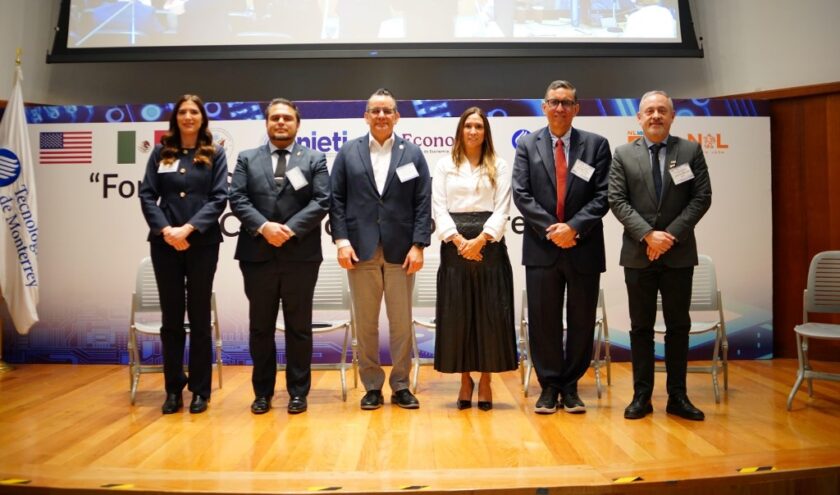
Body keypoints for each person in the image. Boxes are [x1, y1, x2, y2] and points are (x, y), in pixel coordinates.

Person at [608, 90, 712, 421]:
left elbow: (701, 197)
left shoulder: (690, 151)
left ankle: (678, 396)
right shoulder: (623, 154)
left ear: (672, 116)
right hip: (638, 255)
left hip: (678, 254)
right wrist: (648, 235)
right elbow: (617, 200)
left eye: (662, 110)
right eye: (649, 111)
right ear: (639, 118)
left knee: (678, 326)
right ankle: (642, 396)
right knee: (640, 327)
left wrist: (670, 236)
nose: (656, 116)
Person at [512, 80, 612, 415]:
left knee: (581, 320)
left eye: (566, 102)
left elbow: (603, 195)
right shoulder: (527, 144)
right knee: (544, 321)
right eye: (554, 102)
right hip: (542, 249)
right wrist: (553, 230)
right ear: (544, 107)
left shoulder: (596, 145)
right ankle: (549, 385)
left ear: (576, 108)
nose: (559, 108)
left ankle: (570, 387)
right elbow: (521, 194)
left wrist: (574, 228)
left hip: (583, 248)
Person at [329, 88, 432, 410]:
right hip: (360, 250)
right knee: (366, 323)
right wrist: (342, 241)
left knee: (401, 323)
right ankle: (372, 385)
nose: (382, 116)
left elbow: (422, 201)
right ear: (366, 116)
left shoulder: (412, 153)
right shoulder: (349, 152)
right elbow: (336, 199)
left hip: (402, 252)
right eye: (375, 110)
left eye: (388, 110)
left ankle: (401, 385)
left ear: (397, 116)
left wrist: (419, 245)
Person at [230, 98, 330, 415]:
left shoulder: (314, 158)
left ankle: (298, 393)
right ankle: (263, 393)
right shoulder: (247, 158)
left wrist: (288, 229)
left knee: (299, 328)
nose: (281, 122)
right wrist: (264, 227)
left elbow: (322, 200)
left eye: (287, 118)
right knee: (260, 328)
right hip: (257, 256)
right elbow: (237, 198)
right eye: (275, 118)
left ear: (297, 124)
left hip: (301, 255)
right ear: (267, 123)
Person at [138, 94, 228, 415]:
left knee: (200, 317)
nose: (188, 117)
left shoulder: (215, 153)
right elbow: (147, 195)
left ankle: (200, 390)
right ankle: (173, 389)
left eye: (194, 112)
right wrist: (166, 231)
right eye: (183, 112)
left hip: (202, 243)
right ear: (175, 118)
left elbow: (219, 198)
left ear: (202, 118)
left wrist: (187, 229)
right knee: (171, 318)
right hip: (164, 244)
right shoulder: (161, 152)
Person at [432, 107, 517, 411]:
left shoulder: (499, 164)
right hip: (454, 249)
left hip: (489, 247)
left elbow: (502, 208)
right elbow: (438, 208)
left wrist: (480, 240)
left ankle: (486, 380)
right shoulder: (445, 164)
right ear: (460, 130)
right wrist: (459, 242)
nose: (472, 131)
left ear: (485, 132)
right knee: (460, 316)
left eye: (478, 126)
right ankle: (465, 379)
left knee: (489, 315)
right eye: (468, 126)